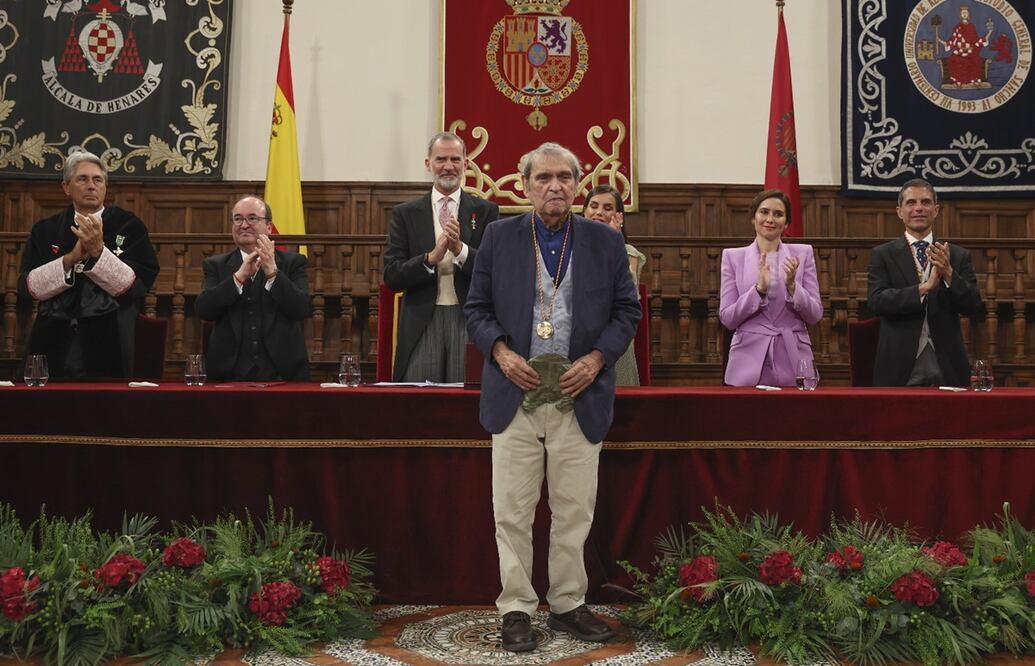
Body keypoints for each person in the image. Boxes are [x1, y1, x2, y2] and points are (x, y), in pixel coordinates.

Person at [464, 143, 640, 652]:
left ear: (578, 184)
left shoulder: (605, 243)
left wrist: (598, 359)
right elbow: (475, 309)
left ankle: (566, 603)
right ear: (525, 185)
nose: (555, 186)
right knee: (512, 510)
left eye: (565, 177)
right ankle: (517, 608)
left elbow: (627, 312)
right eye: (543, 177)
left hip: (578, 393)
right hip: (514, 392)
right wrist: (499, 352)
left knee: (574, 509)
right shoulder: (498, 237)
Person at [18, 150, 159, 378]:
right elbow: (28, 287)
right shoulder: (45, 230)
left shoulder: (129, 226)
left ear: (105, 187)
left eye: (97, 179)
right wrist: (69, 259)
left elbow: (138, 285)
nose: (91, 186)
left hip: (112, 333)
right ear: (66, 187)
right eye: (82, 179)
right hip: (53, 335)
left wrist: (98, 253)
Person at [384, 132, 499, 382]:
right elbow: (392, 274)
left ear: (466, 164)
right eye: (441, 159)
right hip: (423, 320)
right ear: (428, 164)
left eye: (456, 159)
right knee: (418, 405)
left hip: (468, 319)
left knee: (467, 401)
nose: (448, 166)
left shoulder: (486, 211)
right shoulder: (405, 214)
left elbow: (495, 272)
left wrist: (460, 251)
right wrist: (430, 258)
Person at [867, 179, 982, 386]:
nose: (918, 208)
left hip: (947, 361)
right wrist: (923, 288)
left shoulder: (957, 255)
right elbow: (877, 302)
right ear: (899, 211)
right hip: (898, 362)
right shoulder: (882, 254)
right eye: (911, 203)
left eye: (926, 202)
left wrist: (948, 273)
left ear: (936, 210)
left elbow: (973, 305)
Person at [196, 195, 311, 381]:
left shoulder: (293, 263)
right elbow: (204, 310)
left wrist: (273, 273)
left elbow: (302, 308)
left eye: (252, 218)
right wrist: (239, 278)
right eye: (238, 219)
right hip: (228, 375)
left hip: (283, 374)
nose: (244, 225)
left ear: (268, 226)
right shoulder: (215, 265)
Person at [719, 189, 822, 387]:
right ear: (753, 218)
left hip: (795, 361)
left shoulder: (804, 254)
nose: (770, 219)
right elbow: (728, 318)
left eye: (778, 214)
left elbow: (815, 315)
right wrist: (758, 290)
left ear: (787, 223)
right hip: (748, 362)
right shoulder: (733, 257)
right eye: (764, 212)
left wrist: (793, 287)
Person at [584, 184, 645, 386]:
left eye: (607, 208)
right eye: (594, 206)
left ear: (619, 217)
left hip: (614, 335)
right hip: (581, 334)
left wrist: (613, 244)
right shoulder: (569, 247)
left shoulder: (628, 252)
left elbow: (631, 295)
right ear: (584, 211)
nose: (599, 212)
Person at [940, 4, 993, 87]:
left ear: (968, 14)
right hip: (959, 52)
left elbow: (976, 41)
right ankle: (959, 82)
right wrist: (941, 41)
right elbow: (953, 41)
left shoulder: (972, 27)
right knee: (954, 60)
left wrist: (989, 33)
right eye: (963, 13)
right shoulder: (957, 27)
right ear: (960, 15)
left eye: (966, 13)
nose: (964, 14)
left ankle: (973, 81)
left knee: (975, 60)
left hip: (971, 52)